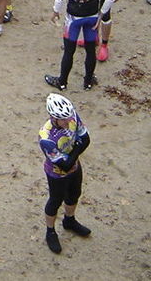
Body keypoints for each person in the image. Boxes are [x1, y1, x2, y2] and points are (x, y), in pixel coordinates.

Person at [38, 93, 91, 254]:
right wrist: (77, 147)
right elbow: (64, 166)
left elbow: (86, 139)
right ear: (53, 118)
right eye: (63, 120)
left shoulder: (71, 115)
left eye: (68, 117)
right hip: (56, 174)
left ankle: (69, 220)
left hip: (75, 167)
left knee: (75, 194)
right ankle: (50, 231)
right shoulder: (46, 138)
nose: (69, 122)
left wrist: (74, 153)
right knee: (55, 201)